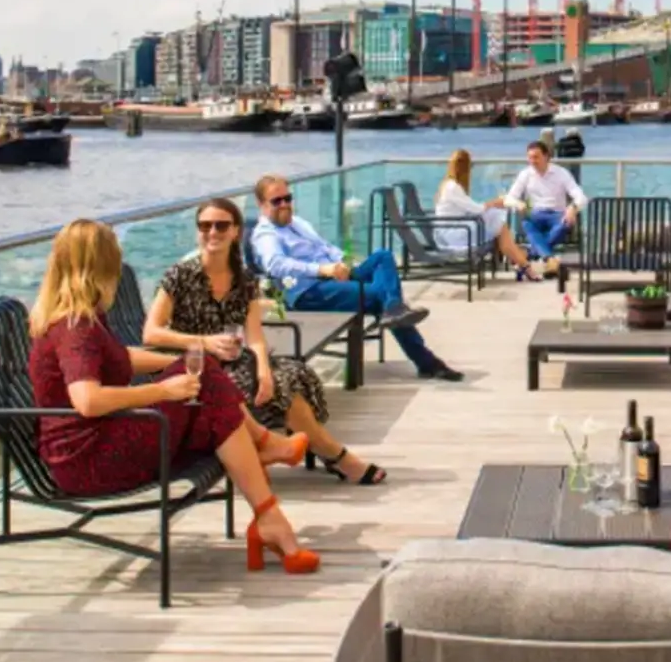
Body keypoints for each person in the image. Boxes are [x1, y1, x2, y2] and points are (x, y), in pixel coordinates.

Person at [27, 218, 319, 574]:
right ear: (101, 265)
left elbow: (120, 358)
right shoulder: (76, 327)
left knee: (204, 378)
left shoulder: (82, 317)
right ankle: (266, 466)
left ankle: (269, 510)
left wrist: (177, 363)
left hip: (95, 445)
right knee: (207, 384)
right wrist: (163, 389)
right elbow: (87, 400)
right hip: (89, 461)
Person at [145, 197, 386, 486]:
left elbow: (254, 335)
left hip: (233, 359)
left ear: (236, 231)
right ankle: (334, 455)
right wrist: (204, 342)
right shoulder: (180, 276)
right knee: (280, 384)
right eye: (205, 226)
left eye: (221, 225)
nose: (212, 232)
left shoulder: (243, 279)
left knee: (290, 374)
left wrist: (263, 369)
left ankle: (313, 448)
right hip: (193, 366)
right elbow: (151, 333)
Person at [250, 175, 463, 383]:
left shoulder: (298, 223)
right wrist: (322, 269)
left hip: (335, 275)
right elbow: (275, 265)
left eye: (287, 198)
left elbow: (326, 247)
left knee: (383, 257)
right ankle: (424, 357)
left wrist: (344, 262)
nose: (284, 204)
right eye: (276, 201)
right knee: (379, 295)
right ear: (261, 204)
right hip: (310, 292)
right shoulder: (266, 234)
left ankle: (394, 309)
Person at [434, 149, 542, 281]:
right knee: (497, 222)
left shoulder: (450, 185)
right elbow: (476, 209)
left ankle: (521, 263)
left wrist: (493, 205)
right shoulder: (452, 187)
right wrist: (495, 203)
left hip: (459, 229)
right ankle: (523, 263)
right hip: (454, 235)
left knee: (497, 224)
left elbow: (471, 209)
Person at [505, 140, 588, 268]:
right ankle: (549, 259)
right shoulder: (525, 174)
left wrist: (573, 207)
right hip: (535, 214)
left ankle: (531, 254)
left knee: (564, 224)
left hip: (557, 214)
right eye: (530, 157)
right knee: (527, 223)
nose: (532, 161)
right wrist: (518, 203)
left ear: (546, 156)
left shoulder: (561, 173)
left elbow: (581, 197)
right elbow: (509, 198)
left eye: (536, 157)